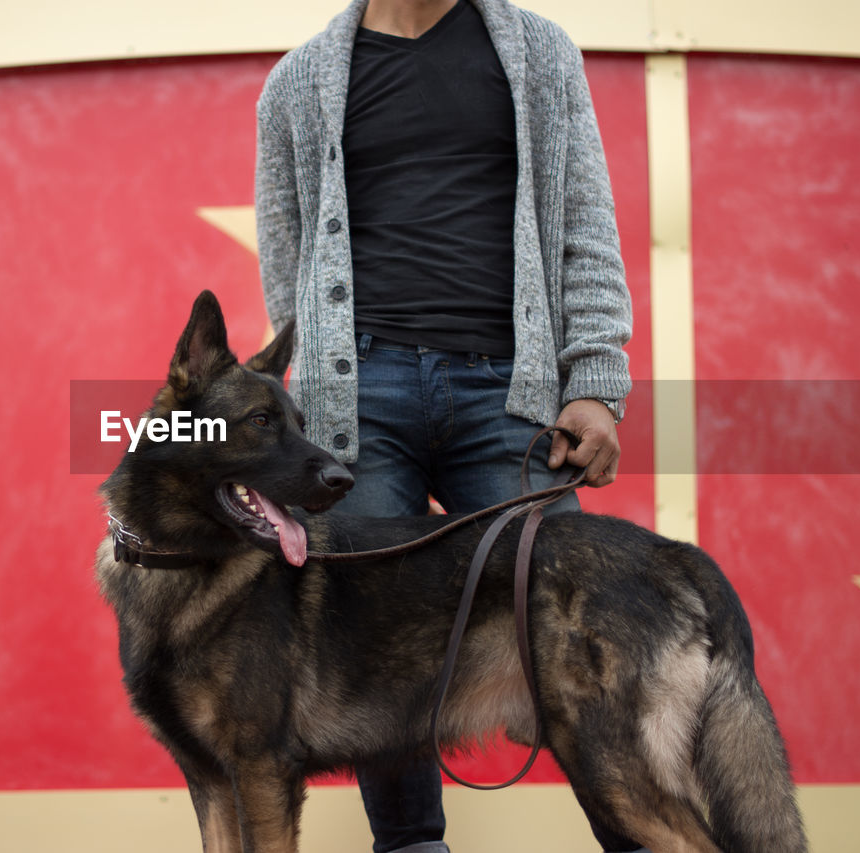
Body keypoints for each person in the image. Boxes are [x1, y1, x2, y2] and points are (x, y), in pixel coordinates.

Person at [254, 1, 636, 851]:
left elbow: (585, 220)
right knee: (374, 641)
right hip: (360, 401)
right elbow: (288, 266)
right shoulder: (295, 85)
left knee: (565, 628)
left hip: (509, 393)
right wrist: (307, 405)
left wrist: (598, 382)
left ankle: (639, 838)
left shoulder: (537, 53)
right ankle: (412, 843)